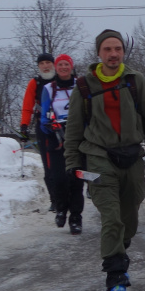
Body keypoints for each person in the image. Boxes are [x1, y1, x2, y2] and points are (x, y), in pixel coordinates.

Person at [63, 29, 145, 291]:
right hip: (99, 157)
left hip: (132, 157)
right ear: (98, 53)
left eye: (118, 49)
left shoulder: (136, 81)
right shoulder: (84, 87)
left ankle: (118, 252)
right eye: (107, 49)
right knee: (111, 217)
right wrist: (72, 164)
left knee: (129, 218)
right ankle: (115, 276)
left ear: (123, 52)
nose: (113, 54)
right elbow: (73, 130)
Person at [39, 54, 85, 234]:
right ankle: (61, 209)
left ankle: (76, 218)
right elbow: (43, 116)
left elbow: (88, 111)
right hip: (56, 138)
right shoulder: (48, 88)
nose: (64, 67)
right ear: (55, 68)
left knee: (76, 179)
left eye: (67, 64)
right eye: (60, 65)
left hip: (77, 138)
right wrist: (50, 126)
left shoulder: (80, 86)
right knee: (58, 179)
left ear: (71, 67)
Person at [19, 52, 56, 206]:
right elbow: (27, 106)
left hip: (65, 126)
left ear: (53, 64)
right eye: (42, 64)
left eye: (48, 62)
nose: (45, 66)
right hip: (43, 126)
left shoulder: (62, 79)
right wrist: (24, 127)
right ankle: (54, 199)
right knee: (48, 165)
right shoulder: (35, 83)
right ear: (38, 66)